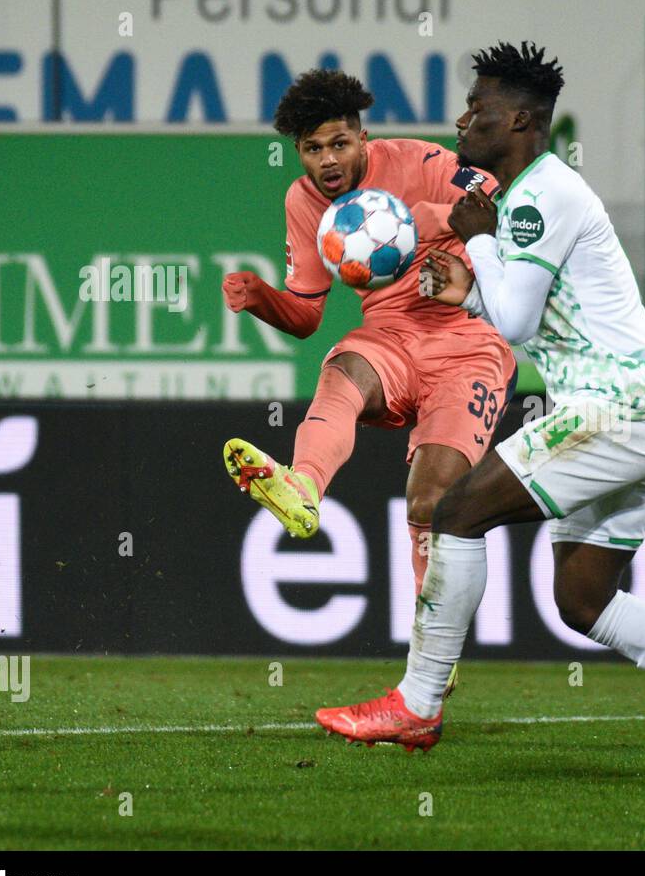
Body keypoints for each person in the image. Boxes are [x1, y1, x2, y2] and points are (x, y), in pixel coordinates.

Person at [315, 42, 645, 797]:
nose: (463, 118)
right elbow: (535, 313)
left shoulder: (541, 195)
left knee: (455, 512)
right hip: (640, 405)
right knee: (583, 600)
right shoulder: (528, 198)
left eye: (477, 109)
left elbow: (514, 324)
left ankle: (417, 704)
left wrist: (477, 236)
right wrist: (469, 294)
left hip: (614, 406)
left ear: (520, 119)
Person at [221, 68, 517, 622]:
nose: (327, 160)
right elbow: (308, 316)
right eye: (312, 149)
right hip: (391, 336)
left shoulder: (420, 161)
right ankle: (302, 489)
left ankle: (433, 644)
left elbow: (500, 206)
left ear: (362, 138)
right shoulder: (304, 201)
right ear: (298, 152)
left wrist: (412, 221)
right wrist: (263, 297)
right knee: (343, 368)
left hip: (469, 340)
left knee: (430, 501)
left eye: (339, 143)